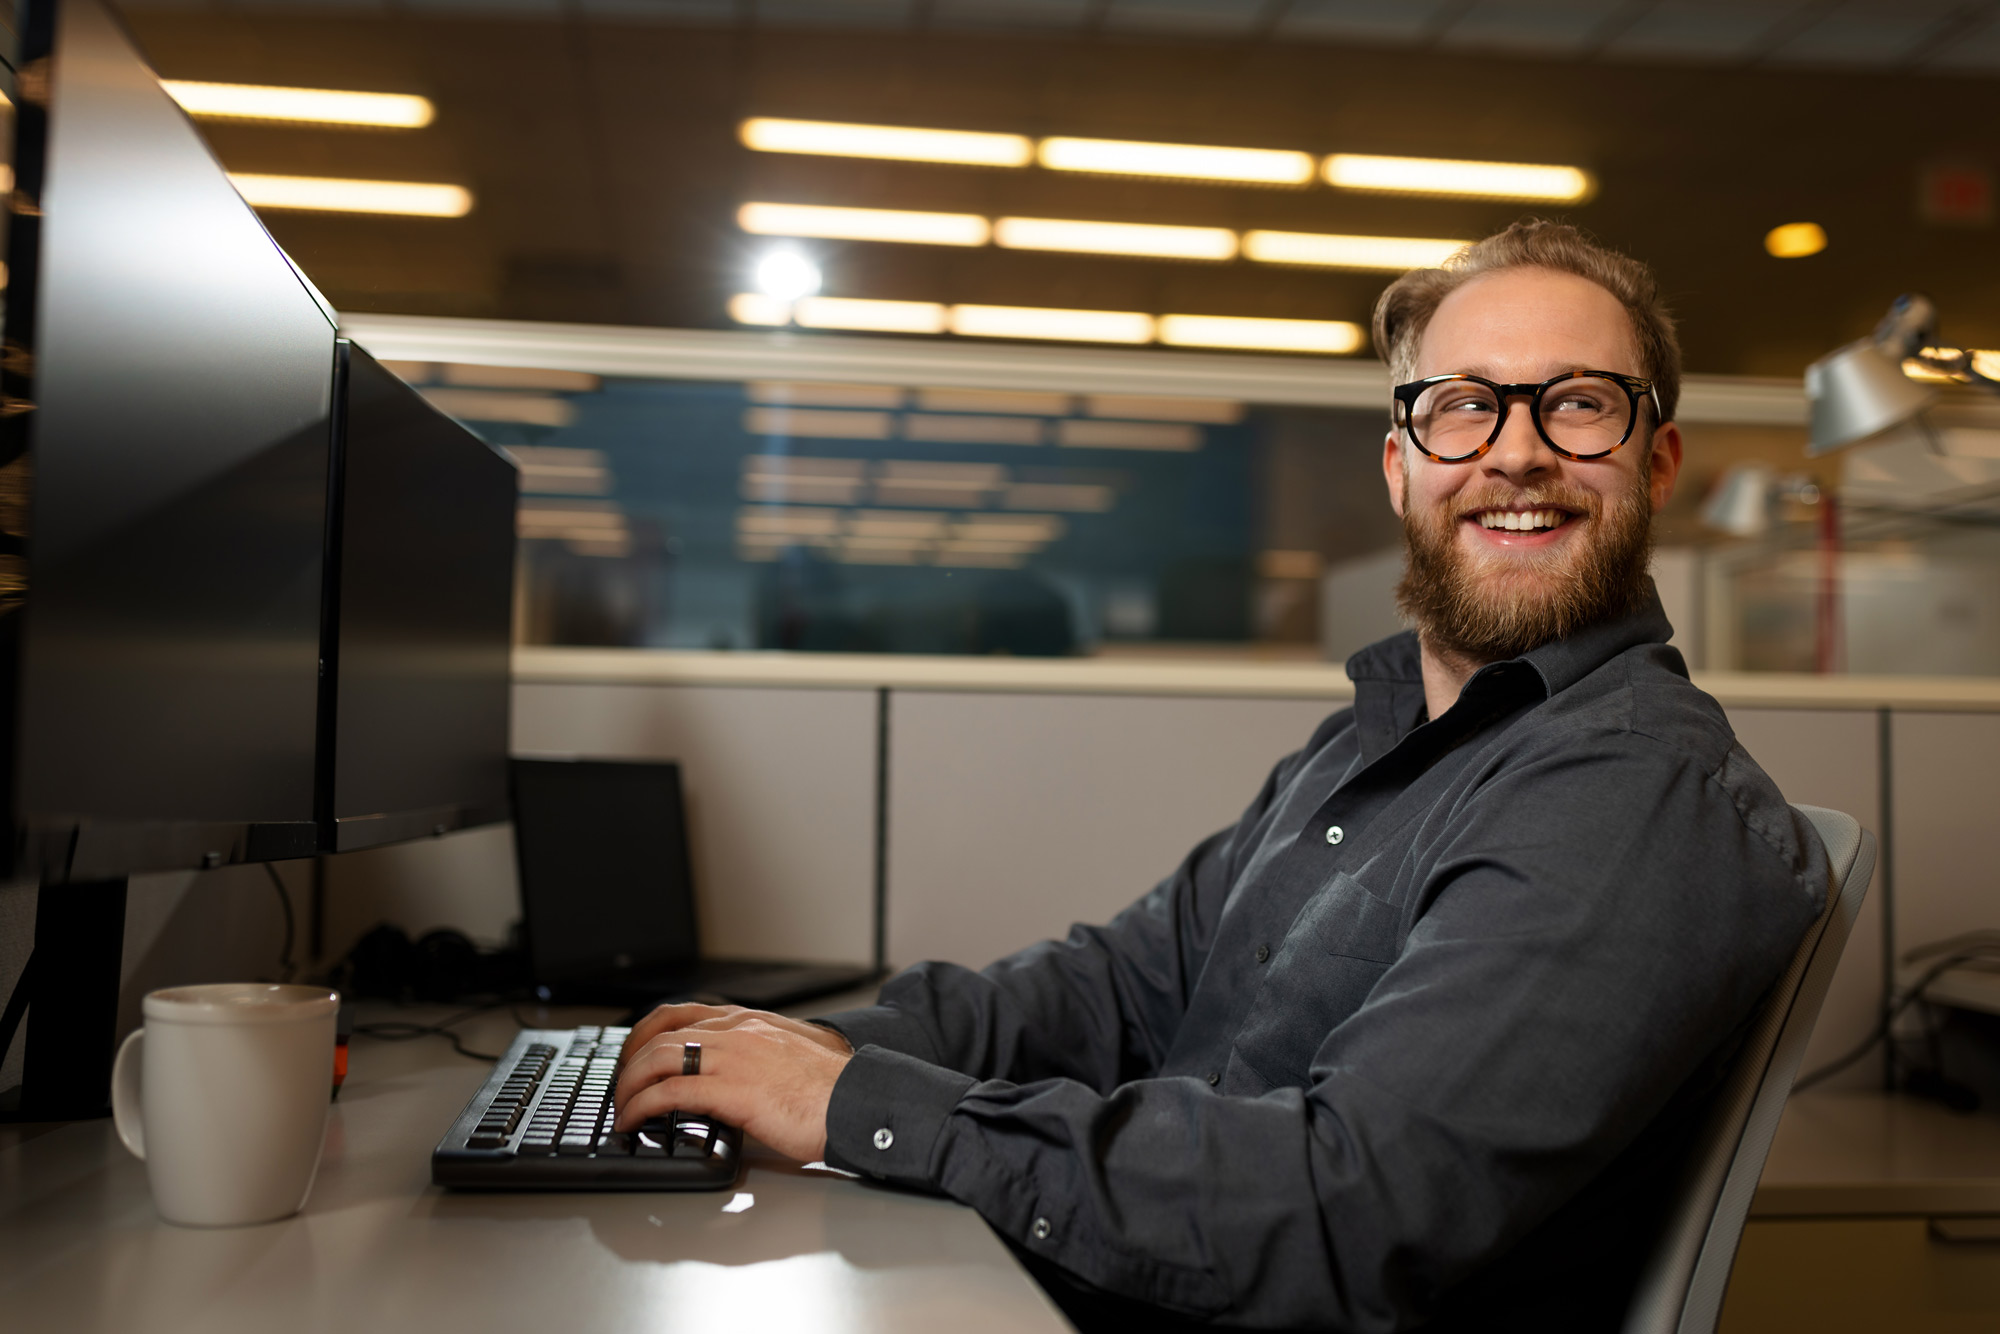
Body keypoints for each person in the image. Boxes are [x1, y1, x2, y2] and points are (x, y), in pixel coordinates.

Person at [613, 220, 1828, 1331]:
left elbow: (1343, 1206)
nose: (1513, 452)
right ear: (1401, 464)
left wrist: (861, 1102)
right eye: (1461, 406)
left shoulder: (1626, 791)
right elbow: (1116, 992)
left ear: (1655, 461)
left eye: (1575, 404)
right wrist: (785, 1052)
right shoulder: (1370, 748)